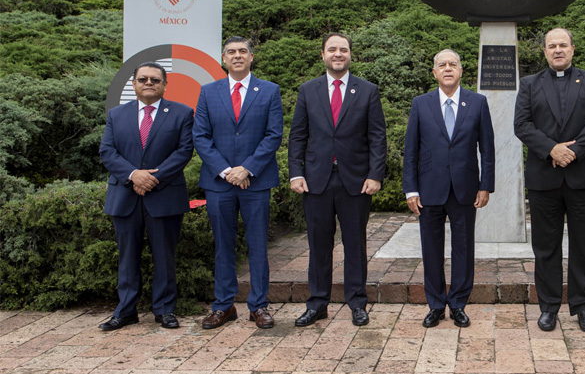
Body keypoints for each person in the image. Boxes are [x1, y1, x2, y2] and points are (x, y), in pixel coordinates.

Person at [514, 28, 585, 333]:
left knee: (584, 246)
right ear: (544, 51)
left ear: (572, 48)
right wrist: (551, 149)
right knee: (546, 247)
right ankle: (548, 307)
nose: (558, 50)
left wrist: (574, 151)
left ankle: (583, 307)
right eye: (552, 46)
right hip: (545, 178)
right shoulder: (530, 84)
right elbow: (522, 124)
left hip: (584, 177)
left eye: (563, 45)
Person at [288, 32, 387, 328]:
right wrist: (296, 172)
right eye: (332, 49)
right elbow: (298, 135)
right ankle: (318, 303)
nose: (338, 54)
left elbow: (377, 137)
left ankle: (357, 302)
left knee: (355, 243)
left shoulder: (367, 90)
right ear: (323, 55)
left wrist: (375, 175)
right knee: (319, 244)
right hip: (315, 181)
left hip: (355, 181)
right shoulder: (308, 90)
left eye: (343, 49)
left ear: (350, 55)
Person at [194, 37, 283, 329]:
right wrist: (225, 170)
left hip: (255, 182)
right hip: (219, 183)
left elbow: (273, 135)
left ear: (251, 57)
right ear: (223, 59)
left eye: (242, 51)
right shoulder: (208, 92)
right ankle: (223, 306)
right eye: (231, 52)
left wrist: (246, 169)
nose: (237, 56)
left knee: (257, 244)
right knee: (223, 244)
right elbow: (201, 137)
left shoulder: (269, 91)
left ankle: (258, 305)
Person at [402, 49, 495, 328]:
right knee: (431, 249)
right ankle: (435, 305)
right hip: (429, 190)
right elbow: (411, 151)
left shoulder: (477, 103)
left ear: (461, 71)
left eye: (452, 64)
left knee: (463, 248)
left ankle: (457, 304)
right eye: (442, 65)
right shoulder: (421, 103)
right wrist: (410, 189)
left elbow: (487, 149)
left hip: (465, 189)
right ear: (434, 72)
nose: (447, 68)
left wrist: (485, 186)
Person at [98, 62, 194, 331]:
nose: (148, 83)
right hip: (126, 196)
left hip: (164, 196)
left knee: (164, 256)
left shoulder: (182, 113)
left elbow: (184, 151)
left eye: (155, 79)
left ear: (164, 85)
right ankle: (126, 310)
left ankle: (165, 310)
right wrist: (133, 175)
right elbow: (107, 152)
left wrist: (152, 179)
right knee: (127, 257)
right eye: (143, 79)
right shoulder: (117, 115)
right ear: (134, 84)